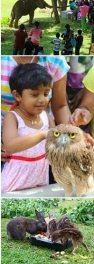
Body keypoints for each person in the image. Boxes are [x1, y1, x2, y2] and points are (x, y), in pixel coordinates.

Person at [1, 64, 55, 192]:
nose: (42, 100)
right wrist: (42, 134)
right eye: (35, 95)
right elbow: (10, 146)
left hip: (40, 178)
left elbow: (58, 142)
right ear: (17, 95)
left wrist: (74, 126)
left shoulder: (47, 117)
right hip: (14, 182)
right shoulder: (12, 117)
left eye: (46, 93)